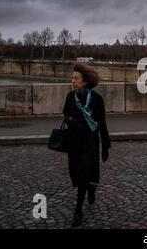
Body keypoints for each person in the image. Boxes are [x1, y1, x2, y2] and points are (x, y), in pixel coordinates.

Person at [62, 63, 111, 227]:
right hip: (74, 142)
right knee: (76, 173)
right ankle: (91, 188)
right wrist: (71, 120)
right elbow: (65, 114)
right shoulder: (70, 97)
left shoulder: (96, 100)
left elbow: (102, 124)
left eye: (76, 78)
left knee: (83, 173)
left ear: (85, 81)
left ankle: (78, 211)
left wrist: (106, 146)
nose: (72, 81)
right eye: (72, 78)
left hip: (89, 142)